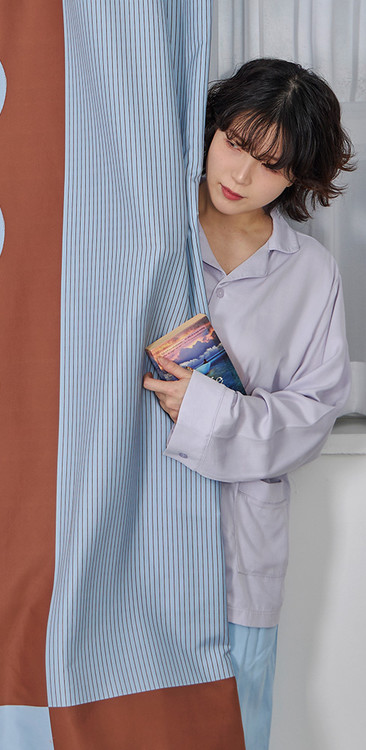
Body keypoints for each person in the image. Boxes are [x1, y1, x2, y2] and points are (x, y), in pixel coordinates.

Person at [143, 58, 354, 749]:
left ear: (297, 177)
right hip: (130, 526)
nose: (239, 174)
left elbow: (312, 415)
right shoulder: (146, 232)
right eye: (235, 143)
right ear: (212, 130)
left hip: (239, 550)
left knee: (231, 723)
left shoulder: (311, 273)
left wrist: (208, 412)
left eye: (270, 164)